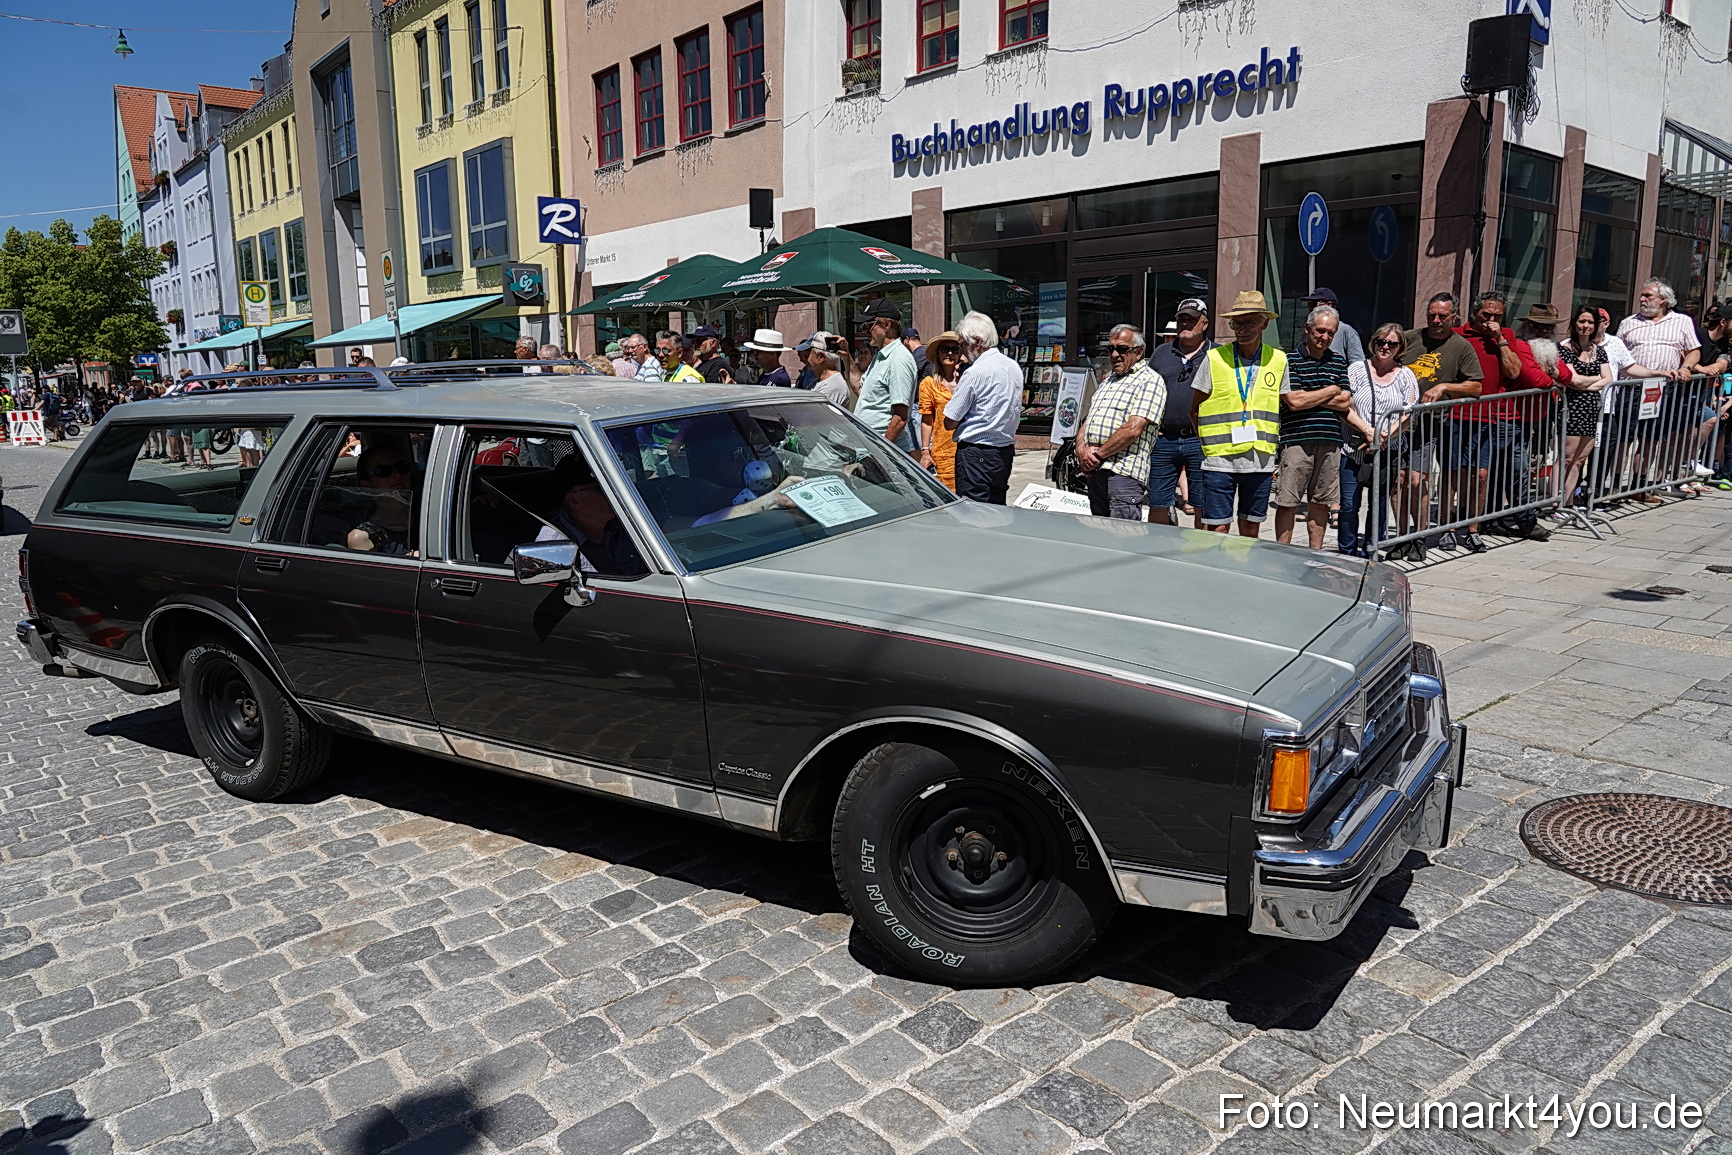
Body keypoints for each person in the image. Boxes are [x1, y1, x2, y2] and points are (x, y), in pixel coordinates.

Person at [1449, 291, 1561, 552]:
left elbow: (1514, 371)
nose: (1491, 320)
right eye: (1486, 315)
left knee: (1499, 472)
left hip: (1500, 416)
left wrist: (1499, 338)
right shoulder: (1458, 334)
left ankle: (1511, 519)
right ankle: (1468, 522)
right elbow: (1538, 379)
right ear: (1474, 313)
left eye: (1497, 316)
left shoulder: (1509, 337)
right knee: (1465, 474)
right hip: (1465, 416)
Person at [1193, 290, 1288, 537]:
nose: (1242, 329)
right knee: (1218, 528)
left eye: (1250, 322)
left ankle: (1244, 572)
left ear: (1264, 323)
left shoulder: (1278, 360)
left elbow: (1280, 404)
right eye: (1237, 323)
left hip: (1260, 461)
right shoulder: (1214, 358)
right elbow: (1194, 410)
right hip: (1220, 461)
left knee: (1250, 527)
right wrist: (1210, 445)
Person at [1400, 293, 1484, 550]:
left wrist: (1445, 386)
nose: (1436, 320)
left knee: (1419, 479)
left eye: (1442, 316)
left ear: (1453, 317)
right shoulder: (1410, 338)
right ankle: (1401, 537)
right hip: (1399, 420)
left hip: (1432, 423)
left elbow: (1476, 386)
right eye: (1432, 315)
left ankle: (1421, 536)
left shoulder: (1460, 346)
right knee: (1400, 479)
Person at [1274, 307, 1352, 549]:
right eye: (1320, 331)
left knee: (1321, 501)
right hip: (1296, 439)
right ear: (1307, 329)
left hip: (1330, 441)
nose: (1325, 337)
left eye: (1331, 333)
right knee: (1288, 501)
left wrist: (1310, 395)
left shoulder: (1338, 361)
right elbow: (1294, 401)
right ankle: (1282, 553)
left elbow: (1346, 401)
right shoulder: (1290, 361)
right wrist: (1330, 390)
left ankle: (1315, 555)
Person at [1076, 324, 1167, 519]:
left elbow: (1133, 428)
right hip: (1096, 471)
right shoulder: (1108, 380)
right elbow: (1089, 419)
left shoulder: (1150, 380)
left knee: (1121, 538)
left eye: (1122, 348)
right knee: (1100, 537)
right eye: (1111, 348)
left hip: (1122, 473)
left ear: (1139, 351)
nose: (1115, 354)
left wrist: (1097, 455)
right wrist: (1082, 450)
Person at [1344, 325, 1419, 558]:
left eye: (1392, 344)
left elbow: (1410, 413)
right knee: (1348, 505)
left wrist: (1385, 435)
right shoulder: (1356, 369)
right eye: (1380, 341)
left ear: (1400, 348)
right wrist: (1368, 432)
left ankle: (1371, 551)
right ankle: (1346, 552)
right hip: (1354, 448)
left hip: (1388, 450)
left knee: (1378, 505)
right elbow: (1344, 404)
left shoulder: (1406, 375)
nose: (1385, 347)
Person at [943, 311, 1023, 503]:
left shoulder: (975, 372)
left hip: (976, 453)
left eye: (962, 345)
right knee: (996, 509)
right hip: (1003, 452)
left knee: (972, 514)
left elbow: (950, 421)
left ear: (977, 342)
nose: (961, 352)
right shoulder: (1013, 367)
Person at [1147, 298, 1212, 528]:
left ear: (1204, 324)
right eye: (1181, 319)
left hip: (1201, 441)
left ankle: (1199, 556)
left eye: (1191, 319)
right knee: (1157, 504)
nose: (1185, 323)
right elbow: (1146, 390)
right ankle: (1157, 556)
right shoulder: (1162, 353)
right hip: (1164, 440)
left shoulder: (1217, 355)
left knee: (1203, 506)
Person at [535, 459, 649, 576]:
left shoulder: (629, 526)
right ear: (574, 501)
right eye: (603, 489)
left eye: (615, 487)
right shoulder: (553, 545)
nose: (615, 494)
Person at [1557, 304, 1613, 514]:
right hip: (1572, 407)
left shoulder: (1599, 351)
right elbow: (1573, 380)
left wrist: (1586, 382)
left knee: (1580, 460)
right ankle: (1556, 501)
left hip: (1591, 408)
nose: (1586, 326)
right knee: (1566, 457)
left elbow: (1609, 379)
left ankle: (1569, 502)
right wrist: (1593, 380)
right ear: (1574, 322)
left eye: (1590, 322)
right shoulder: (1565, 348)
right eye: (1582, 321)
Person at [856, 299, 919, 451]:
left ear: (886, 325)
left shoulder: (898, 359)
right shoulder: (881, 355)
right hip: (870, 449)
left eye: (869, 325)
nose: (864, 330)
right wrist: (846, 358)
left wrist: (880, 452)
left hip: (882, 454)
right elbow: (862, 391)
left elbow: (900, 418)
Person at [346, 444, 419, 556]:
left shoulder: (434, 517)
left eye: (402, 467)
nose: (397, 475)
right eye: (384, 471)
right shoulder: (363, 538)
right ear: (366, 485)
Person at [916, 331, 965, 491]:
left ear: (960, 353)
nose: (949, 353)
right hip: (944, 450)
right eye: (944, 349)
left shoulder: (968, 380)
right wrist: (925, 451)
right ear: (938, 353)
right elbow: (927, 420)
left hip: (969, 448)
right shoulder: (928, 384)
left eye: (954, 349)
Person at [1304, 288, 1365, 365]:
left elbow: (1358, 364)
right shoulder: (1309, 328)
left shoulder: (1346, 330)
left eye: (1314, 304)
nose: (1310, 308)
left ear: (1329, 305)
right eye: (1309, 304)